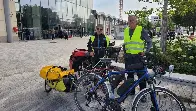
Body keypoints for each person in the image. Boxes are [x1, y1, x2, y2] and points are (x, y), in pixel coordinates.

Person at [123, 15, 152, 101]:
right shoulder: (126, 30)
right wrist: (124, 53)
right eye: (129, 20)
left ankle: (143, 95)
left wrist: (146, 52)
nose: (131, 22)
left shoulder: (141, 30)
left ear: (136, 21)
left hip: (138, 57)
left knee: (141, 76)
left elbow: (149, 42)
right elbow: (126, 44)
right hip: (129, 58)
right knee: (130, 76)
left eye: (132, 20)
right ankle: (131, 92)